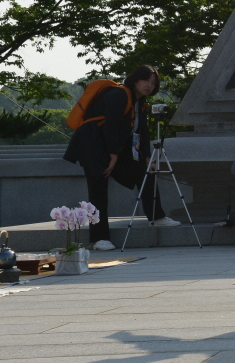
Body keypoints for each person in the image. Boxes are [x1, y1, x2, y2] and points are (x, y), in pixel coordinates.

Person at [62, 65, 162, 250]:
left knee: (144, 171)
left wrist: (147, 156)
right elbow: (111, 126)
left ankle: (157, 216)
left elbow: (142, 132)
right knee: (98, 188)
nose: (149, 85)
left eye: (153, 82)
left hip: (113, 147)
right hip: (92, 145)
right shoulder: (120, 94)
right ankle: (99, 239)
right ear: (135, 79)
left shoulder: (140, 102)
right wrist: (113, 156)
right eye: (146, 80)